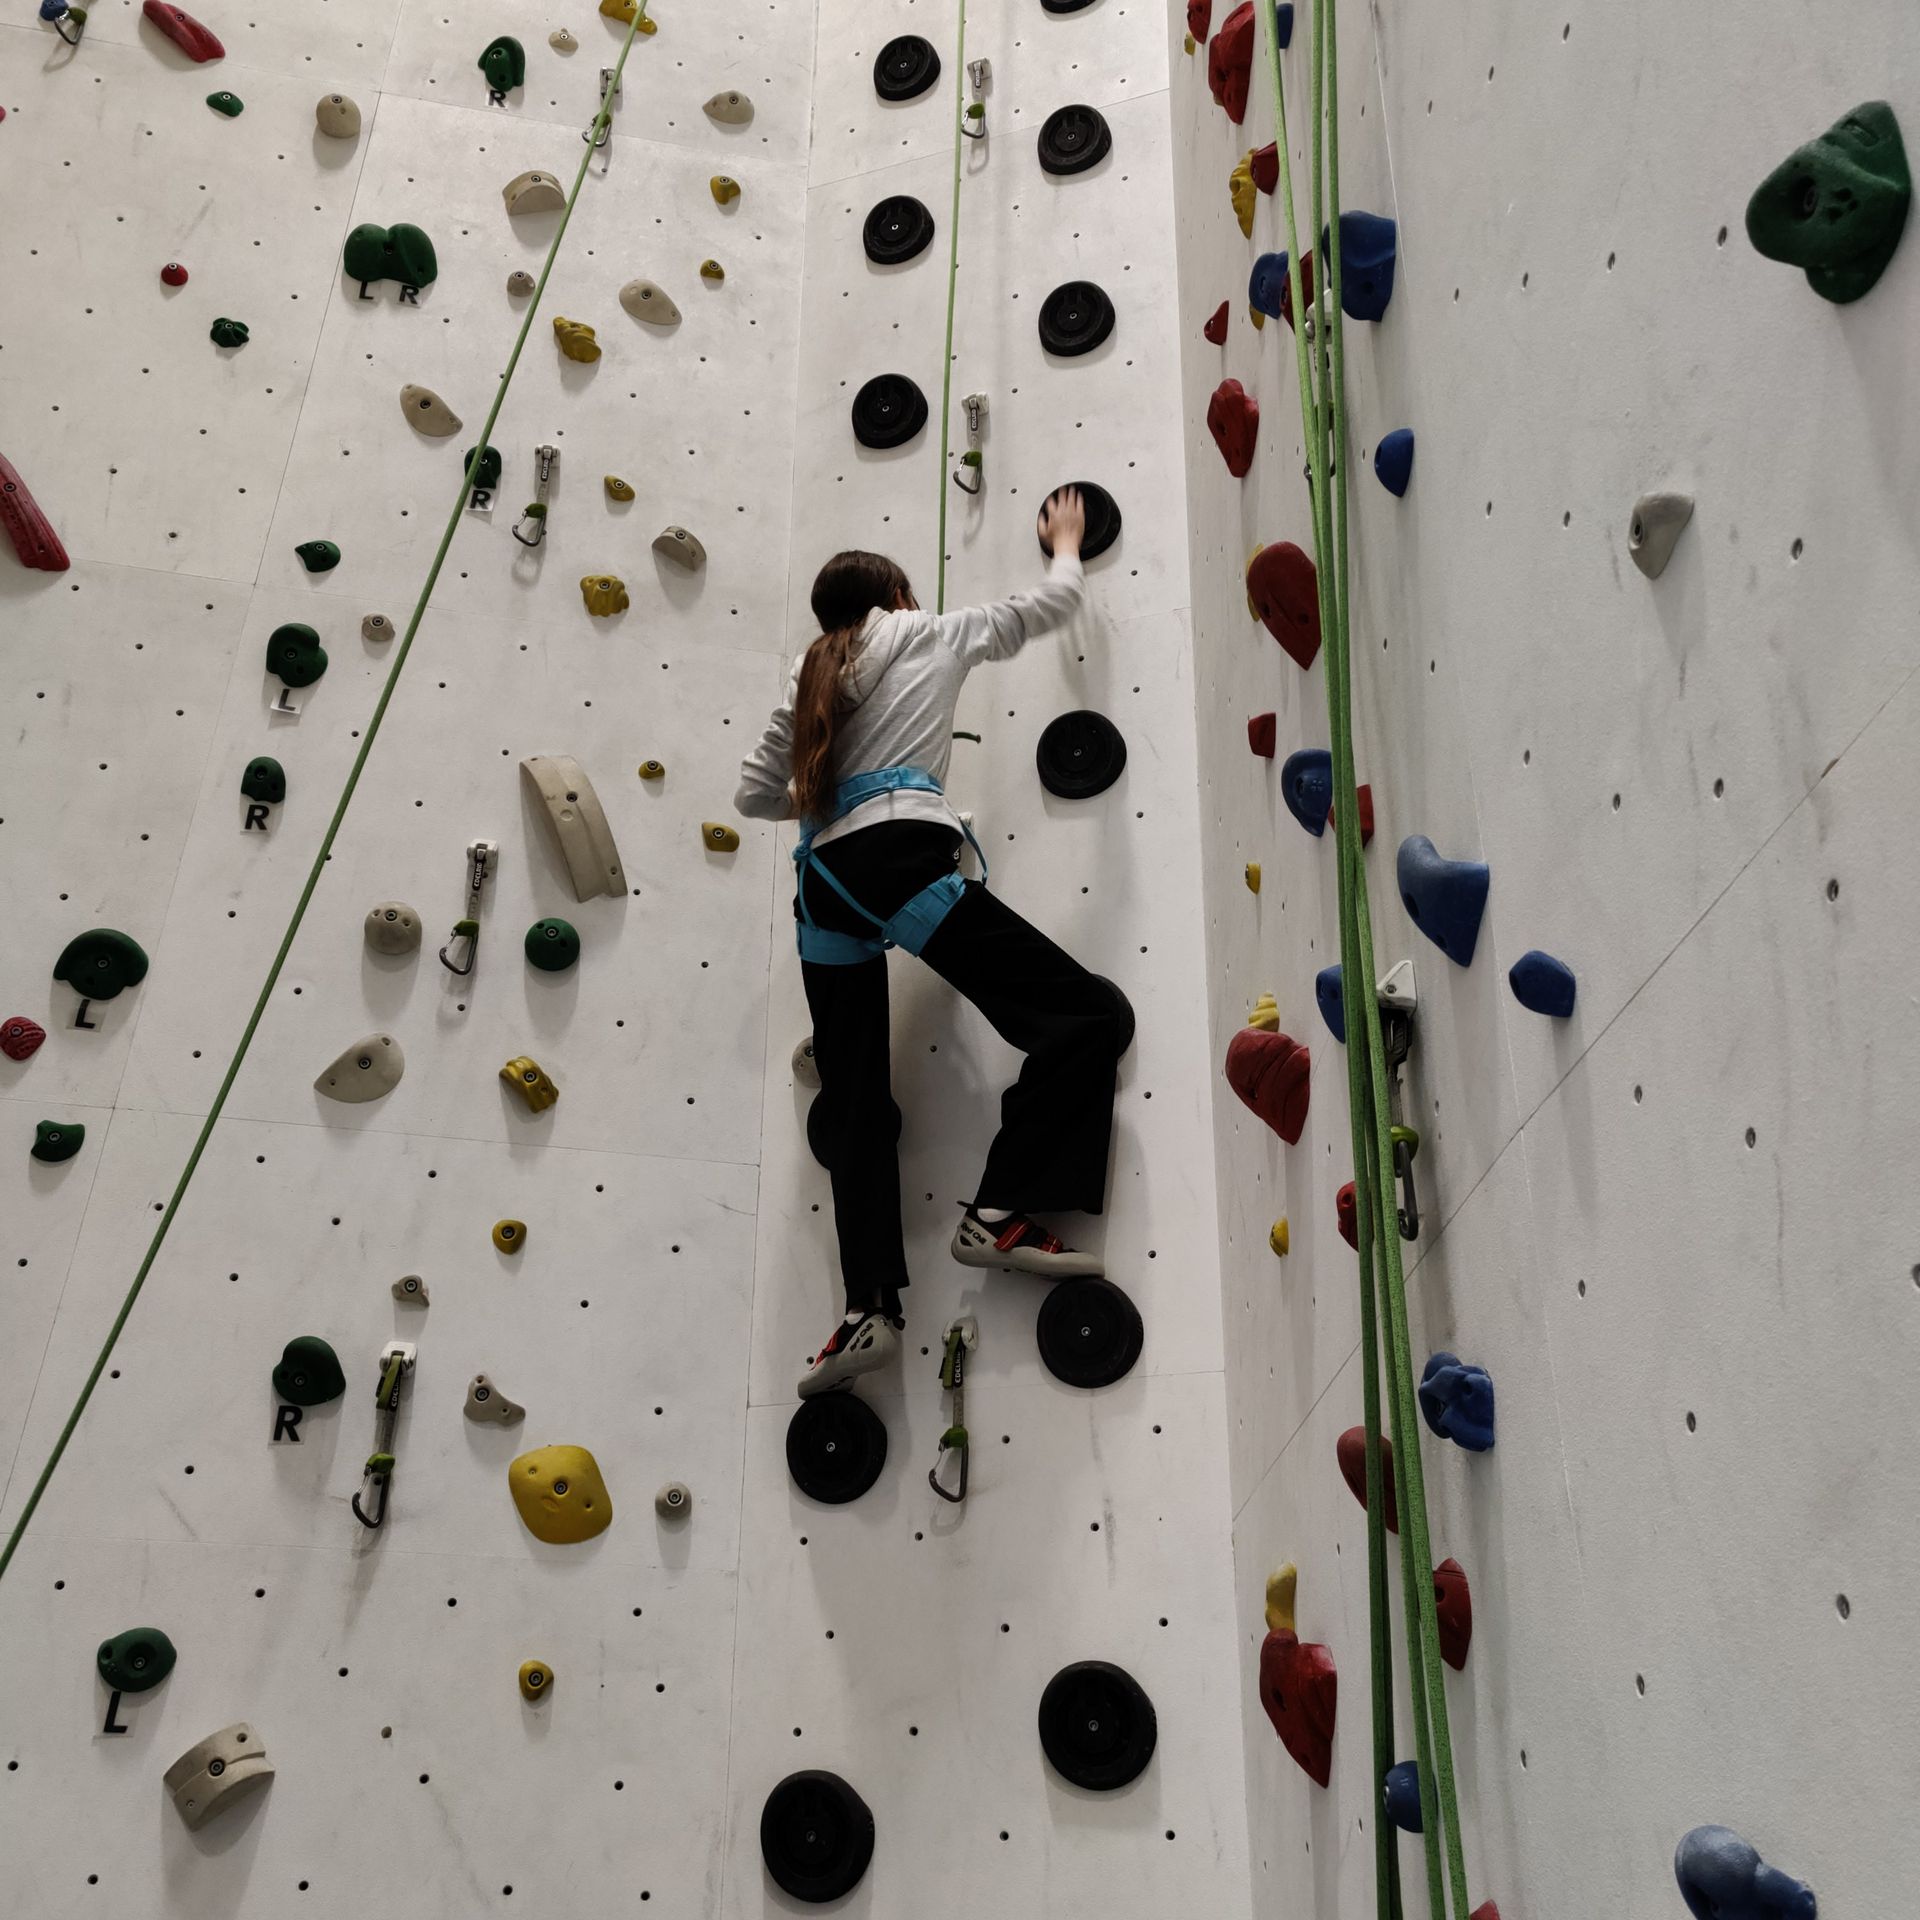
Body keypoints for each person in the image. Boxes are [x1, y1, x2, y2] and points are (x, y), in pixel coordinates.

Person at [736, 487, 1125, 1398]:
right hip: (900, 859)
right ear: (899, 598)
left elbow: (756, 796)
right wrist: (1065, 543)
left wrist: (831, 790)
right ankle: (999, 1212)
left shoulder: (809, 673)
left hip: (822, 886)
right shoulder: (925, 633)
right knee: (1076, 1017)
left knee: (855, 1100)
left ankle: (868, 1305)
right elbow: (1049, 608)